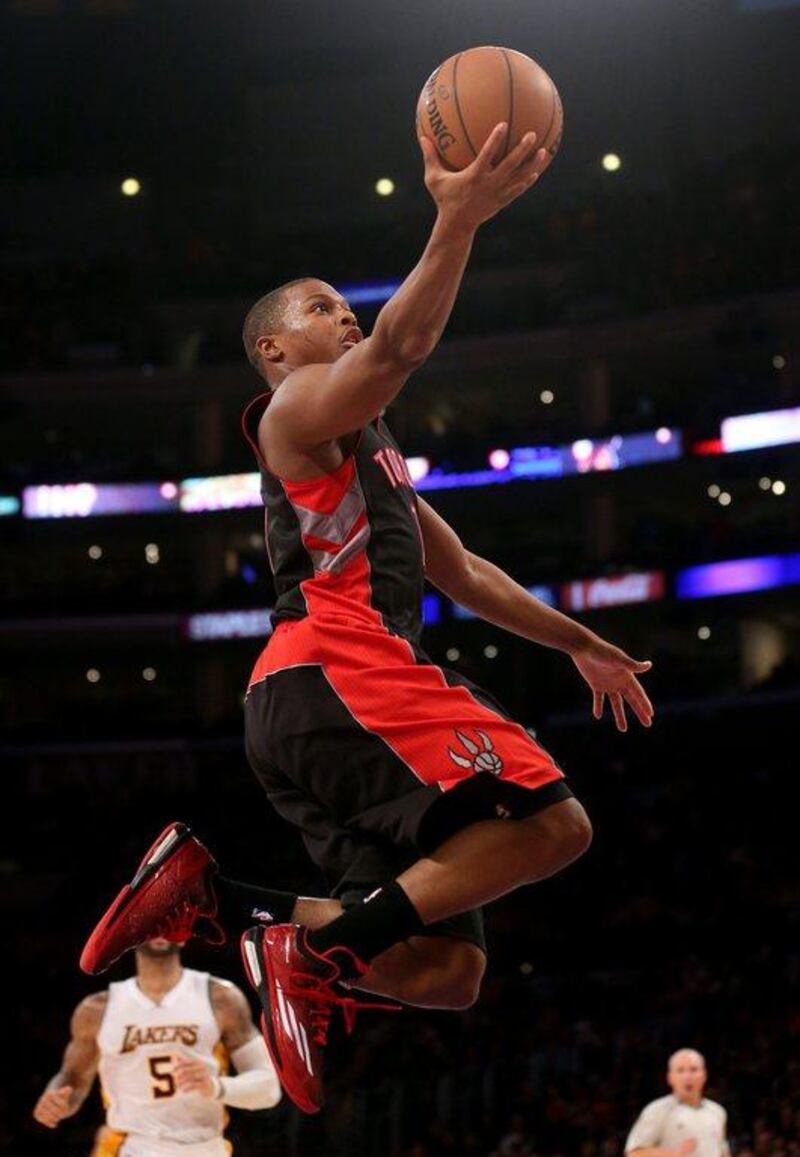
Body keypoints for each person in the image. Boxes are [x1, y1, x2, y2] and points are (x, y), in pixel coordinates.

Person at [80, 122, 654, 1114]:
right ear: (273, 347)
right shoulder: (295, 408)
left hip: (308, 706)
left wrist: (581, 641)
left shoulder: (368, 451)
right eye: (322, 308)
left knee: (443, 968)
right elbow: (403, 341)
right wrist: (456, 218)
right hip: (344, 668)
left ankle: (224, 900)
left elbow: (464, 570)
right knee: (558, 824)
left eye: (345, 308)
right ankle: (310, 954)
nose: (345, 319)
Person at [34, 938, 280, 1155]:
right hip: (132, 1145)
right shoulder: (97, 1009)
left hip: (206, 1146)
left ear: (184, 937)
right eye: (150, 924)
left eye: (169, 924)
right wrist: (56, 1100)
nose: (160, 931)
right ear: (131, 935)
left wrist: (216, 1086)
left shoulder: (221, 998)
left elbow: (268, 1089)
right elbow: (72, 1078)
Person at [625, 1049, 730, 1157]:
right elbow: (634, 1153)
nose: (688, 1076)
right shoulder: (657, 1110)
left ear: (704, 1075)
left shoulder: (717, 1112)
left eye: (694, 1070)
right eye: (680, 1070)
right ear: (670, 1078)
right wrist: (673, 1154)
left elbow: (722, 1152)